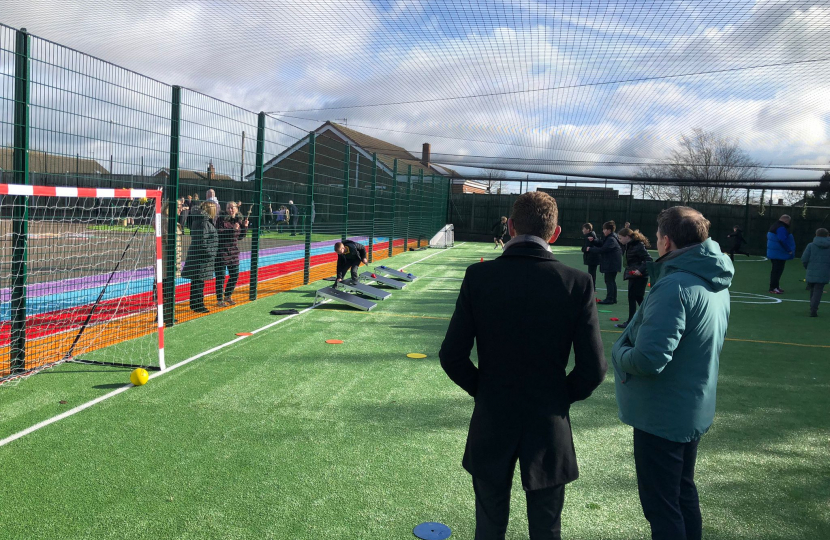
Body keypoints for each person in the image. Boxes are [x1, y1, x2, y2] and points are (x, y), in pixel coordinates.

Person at [439, 191, 607, 540]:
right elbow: (594, 369)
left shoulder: (479, 277)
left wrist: (485, 388)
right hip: (548, 423)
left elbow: (452, 355)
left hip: (492, 416)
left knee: (489, 526)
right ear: (556, 233)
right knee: (546, 530)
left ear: (511, 226)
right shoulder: (577, 283)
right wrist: (556, 397)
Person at [611, 206, 733, 540]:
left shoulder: (675, 285)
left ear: (665, 241)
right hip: (690, 407)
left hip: (663, 416)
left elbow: (649, 359)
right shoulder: (716, 280)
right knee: (681, 493)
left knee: (663, 506)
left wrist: (619, 354)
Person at [182, 201, 218, 313]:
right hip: (201, 258)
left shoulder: (200, 221)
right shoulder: (204, 222)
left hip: (199, 257)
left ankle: (195, 303)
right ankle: (198, 304)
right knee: (198, 282)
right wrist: (211, 252)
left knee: (197, 281)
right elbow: (202, 242)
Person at [616, 228, 653, 328]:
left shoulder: (638, 245)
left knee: (635, 297)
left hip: (640, 276)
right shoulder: (629, 245)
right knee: (635, 297)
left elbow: (648, 259)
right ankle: (644, 318)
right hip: (633, 275)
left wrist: (639, 270)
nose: (619, 240)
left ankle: (634, 321)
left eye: (620, 238)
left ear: (627, 237)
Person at [215, 202, 248, 307]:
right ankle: (220, 299)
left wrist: (245, 227)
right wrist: (232, 229)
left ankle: (228, 295)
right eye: (228, 208)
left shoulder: (238, 220)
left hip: (233, 252)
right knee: (221, 277)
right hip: (221, 251)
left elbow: (239, 236)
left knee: (234, 275)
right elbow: (219, 233)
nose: (230, 210)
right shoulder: (221, 219)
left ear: (236, 209)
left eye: (232, 208)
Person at [587, 220, 622, 304]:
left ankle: (610, 298)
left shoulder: (611, 239)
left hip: (611, 264)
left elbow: (603, 249)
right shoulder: (611, 238)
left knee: (609, 281)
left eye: (604, 229)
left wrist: (591, 249)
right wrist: (594, 241)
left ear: (609, 230)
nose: (603, 231)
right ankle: (613, 298)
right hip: (613, 264)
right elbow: (602, 243)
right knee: (611, 281)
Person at [801, 228, 830, 317]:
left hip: (811, 270)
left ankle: (812, 307)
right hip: (824, 271)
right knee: (818, 290)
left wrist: (807, 267)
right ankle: (814, 308)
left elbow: (804, 259)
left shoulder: (811, 245)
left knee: (812, 290)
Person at [766, 214, 795, 294]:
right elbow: (782, 239)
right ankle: (773, 287)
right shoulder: (781, 228)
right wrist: (788, 249)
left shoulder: (774, 226)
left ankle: (776, 286)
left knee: (776, 270)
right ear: (786, 221)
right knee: (777, 270)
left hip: (774, 252)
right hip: (779, 253)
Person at [581, 223, 601, 289]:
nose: (582, 230)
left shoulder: (590, 237)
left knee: (591, 273)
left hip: (592, 258)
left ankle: (592, 287)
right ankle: (592, 287)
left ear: (588, 229)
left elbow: (587, 248)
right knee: (592, 273)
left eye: (583, 229)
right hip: (592, 258)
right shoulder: (591, 236)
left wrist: (584, 249)